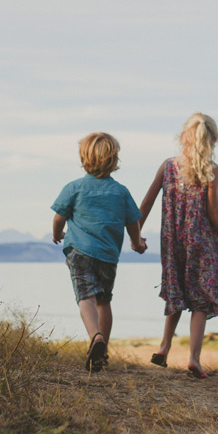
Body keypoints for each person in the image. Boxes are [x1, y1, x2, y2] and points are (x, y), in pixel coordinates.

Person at [137, 113, 218, 379]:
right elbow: (213, 213)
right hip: (204, 243)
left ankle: (164, 347)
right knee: (200, 302)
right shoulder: (211, 169)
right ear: (213, 140)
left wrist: (135, 234)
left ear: (182, 137)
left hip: (173, 241)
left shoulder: (168, 166)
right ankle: (194, 359)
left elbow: (147, 202)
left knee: (177, 291)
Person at [51, 132, 147, 372]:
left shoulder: (74, 187)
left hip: (80, 252)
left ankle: (95, 337)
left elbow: (58, 217)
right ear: (114, 160)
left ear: (83, 157)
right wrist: (137, 243)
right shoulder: (121, 191)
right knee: (104, 301)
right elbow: (133, 222)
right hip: (108, 255)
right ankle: (102, 353)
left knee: (86, 297)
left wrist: (57, 233)